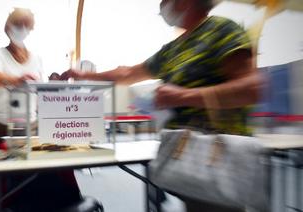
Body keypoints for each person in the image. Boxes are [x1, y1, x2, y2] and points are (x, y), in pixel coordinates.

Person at [55, 0, 262, 211]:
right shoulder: (173, 49)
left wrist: (184, 96)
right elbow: (127, 73)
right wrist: (83, 74)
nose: (162, 7)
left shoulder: (222, 30)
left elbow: (251, 88)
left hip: (216, 157)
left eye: (165, 1)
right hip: (186, 153)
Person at [0, 8, 81, 212]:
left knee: (27, 169)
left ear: (31, 28)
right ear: (7, 27)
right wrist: (17, 80)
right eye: (16, 24)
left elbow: (38, 90)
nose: (20, 28)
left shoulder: (37, 58)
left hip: (27, 123)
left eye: (25, 24)